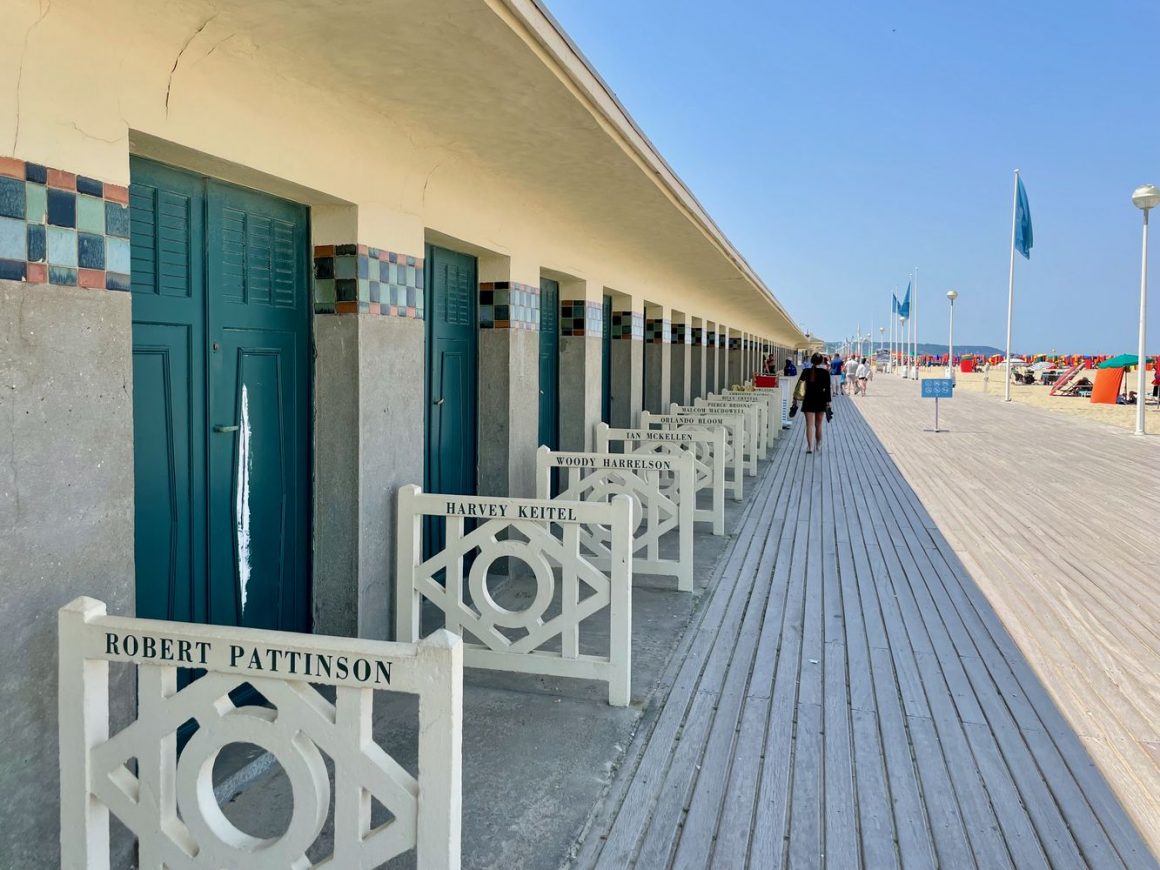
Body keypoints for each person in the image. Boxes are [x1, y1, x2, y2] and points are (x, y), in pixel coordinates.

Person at [793, 353, 832, 453]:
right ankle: (818, 444)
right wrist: (828, 402)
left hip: (808, 400)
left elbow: (799, 386)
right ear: (822, 361)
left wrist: (795, 399)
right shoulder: (825, 373)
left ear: (811, 361)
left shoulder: (806, 371)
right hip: (821, 400)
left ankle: (810, 447)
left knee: (809, 425)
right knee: (818, 425)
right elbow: (827, 389)